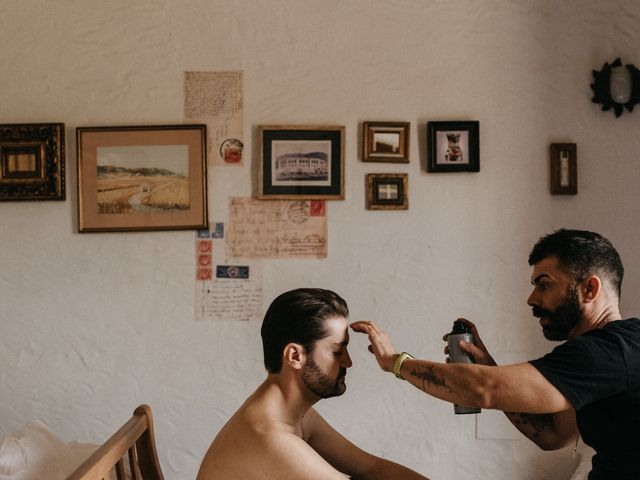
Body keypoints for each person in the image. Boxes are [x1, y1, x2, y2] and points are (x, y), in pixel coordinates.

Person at [351, 229, 640, 480]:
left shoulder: (607, 351)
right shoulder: (614, 348)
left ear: (589, 288)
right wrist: (489, 366)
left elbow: (482, 388)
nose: (532, 299)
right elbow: (554, 436)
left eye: (544, 284)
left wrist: (395, 362)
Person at [197, 288, 429, 480]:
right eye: (338, 352)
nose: (348, 362)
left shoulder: (297, 416)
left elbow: (370, 468)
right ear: (295, 356)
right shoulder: (270, 435)